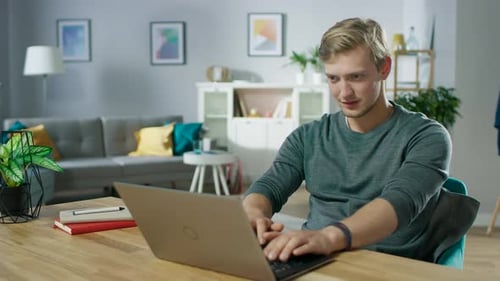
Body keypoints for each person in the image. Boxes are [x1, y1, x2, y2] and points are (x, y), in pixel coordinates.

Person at [242, 17, 453, 263]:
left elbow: (399, 203)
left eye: (356, 77)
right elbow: (268, 187)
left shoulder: (427, 137)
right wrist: (253, 214)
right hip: (316, 260)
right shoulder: (308, 137)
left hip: (392, 265)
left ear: (384, 68)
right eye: (333, 79)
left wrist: (328, 237)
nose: (344, 93)